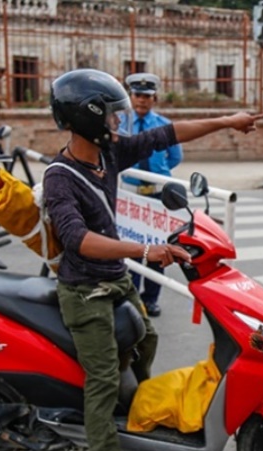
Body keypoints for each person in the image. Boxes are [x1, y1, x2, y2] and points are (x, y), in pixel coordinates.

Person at [43, 68, 263, 451]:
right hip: (85, 290)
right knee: (103, 383)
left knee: (146, 338)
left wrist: (227, 121)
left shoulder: (108, 154)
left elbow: (168, 134)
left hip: (114, 278)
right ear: (86, 118)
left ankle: (138, 419)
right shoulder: (60, 176)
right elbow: (77, 239)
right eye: (110, 115)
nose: (118, 123)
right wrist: (145, 250)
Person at [119, 72, 183, 318]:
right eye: (137, 95)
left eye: (147, 96)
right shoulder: (121, 125)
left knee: (159, 249)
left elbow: (175, 157)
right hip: (132, 195)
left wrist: (161, 171)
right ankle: (133, 297)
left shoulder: (164, 125)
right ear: (130, 96)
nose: (142, 101)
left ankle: (151, 299)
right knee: (135, 246)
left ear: (154, 98)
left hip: (157, 195)